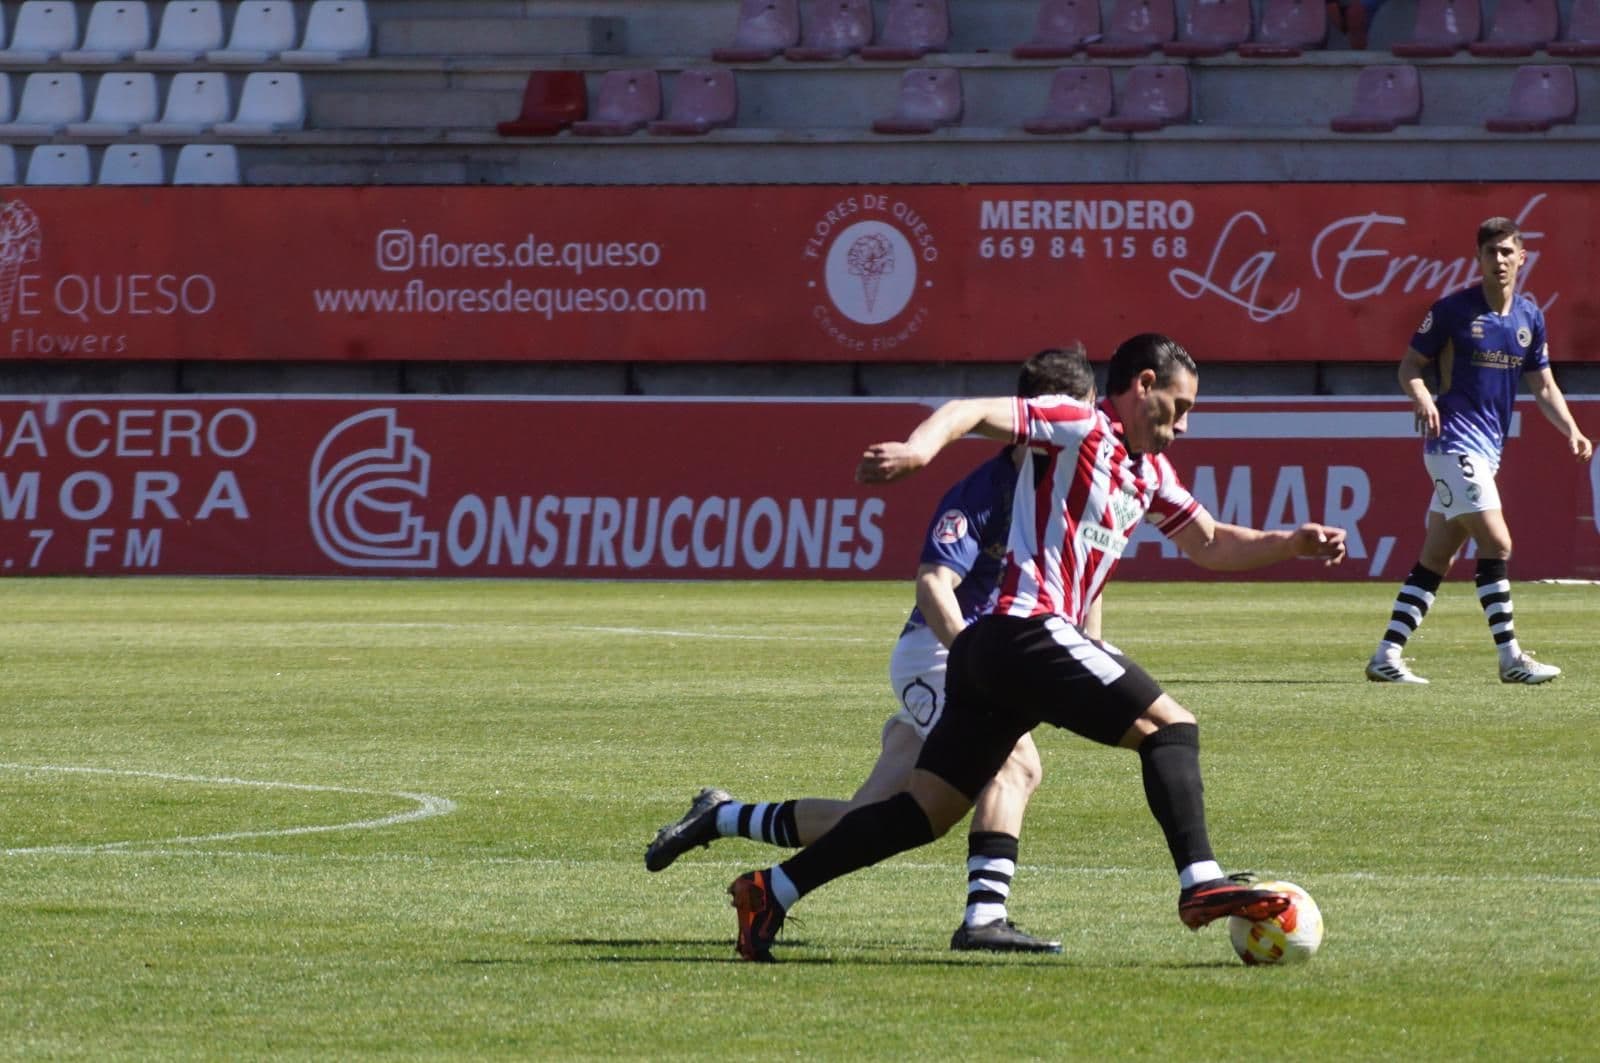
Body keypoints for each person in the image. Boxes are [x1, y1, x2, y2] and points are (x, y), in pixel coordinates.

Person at [724, 333, 1350, 962]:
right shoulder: (1081, 425)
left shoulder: (1149, 471)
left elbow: (1212, 542)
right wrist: (917, 452)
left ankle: (771, 889)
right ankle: (1199, 882)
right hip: (1023, 629)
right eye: (1178, 406)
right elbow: (970, 411)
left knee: (925, 811)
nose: (1183, 425)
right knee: (1171, 727)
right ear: (1142, 387)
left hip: (998, 656)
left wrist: (1291, 541)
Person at [645, 348, 1101, 954]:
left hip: (988, 660)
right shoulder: (987, 491)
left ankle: (719, 816)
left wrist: (1093, 658)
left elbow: (1088, 579)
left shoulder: (1074, 490)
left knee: (867, 819)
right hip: (941, 656)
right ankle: (984, 918)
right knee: (1015, 765)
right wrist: (974, 664)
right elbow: (935, 586)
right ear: (1040, 418)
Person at [1365, 216, 1594, 686]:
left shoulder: (1530, 316)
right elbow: (1410, 366)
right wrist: (1424, 397)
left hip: (1487, 450)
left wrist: (1571, 429)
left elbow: (1544, 384)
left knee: (1436, 558)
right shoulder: (1453, 311)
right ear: (1479, 259)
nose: (1500, 261)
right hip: (1452, 444)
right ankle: (1511, 658)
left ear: (1522, 257)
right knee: (1498, 543)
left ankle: (1386, 655)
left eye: (1508, 252)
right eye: (1491, 253)